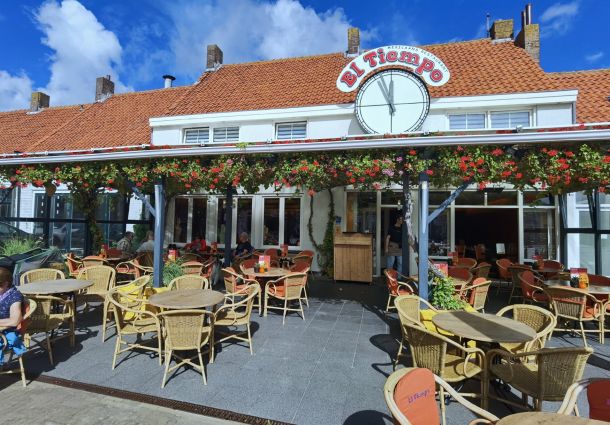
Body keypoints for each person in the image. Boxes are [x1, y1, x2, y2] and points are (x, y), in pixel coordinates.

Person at [0, 267, 26, 364]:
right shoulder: (2, 293)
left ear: (6, 284)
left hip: (6, 332)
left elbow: (15, 320)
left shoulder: (14, 296)